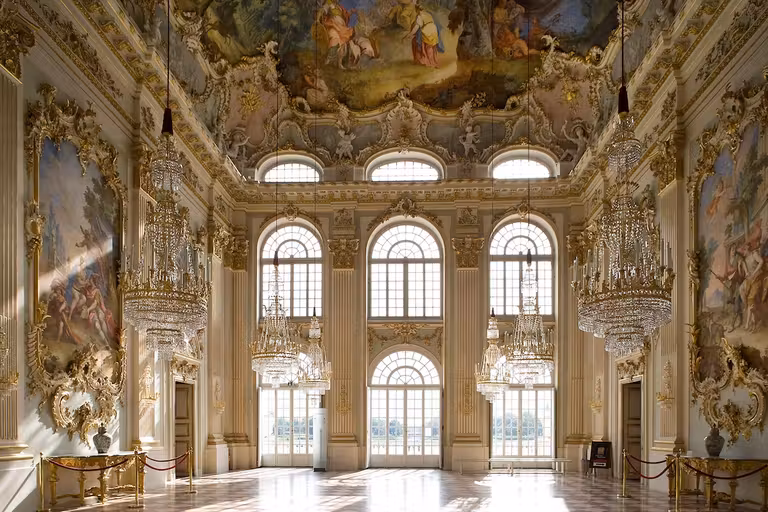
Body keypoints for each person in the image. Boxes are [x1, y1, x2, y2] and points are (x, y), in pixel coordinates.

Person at [318, 0, 356, 68]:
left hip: (342, 28)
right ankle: (328, 60)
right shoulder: (328, 4)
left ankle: (339, 63)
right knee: (335, 40)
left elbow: (345, 16)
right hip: (332, 26)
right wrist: (319, 17)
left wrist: (351, 12)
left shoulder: (339, 7)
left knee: (343, 45)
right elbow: (323, 11)